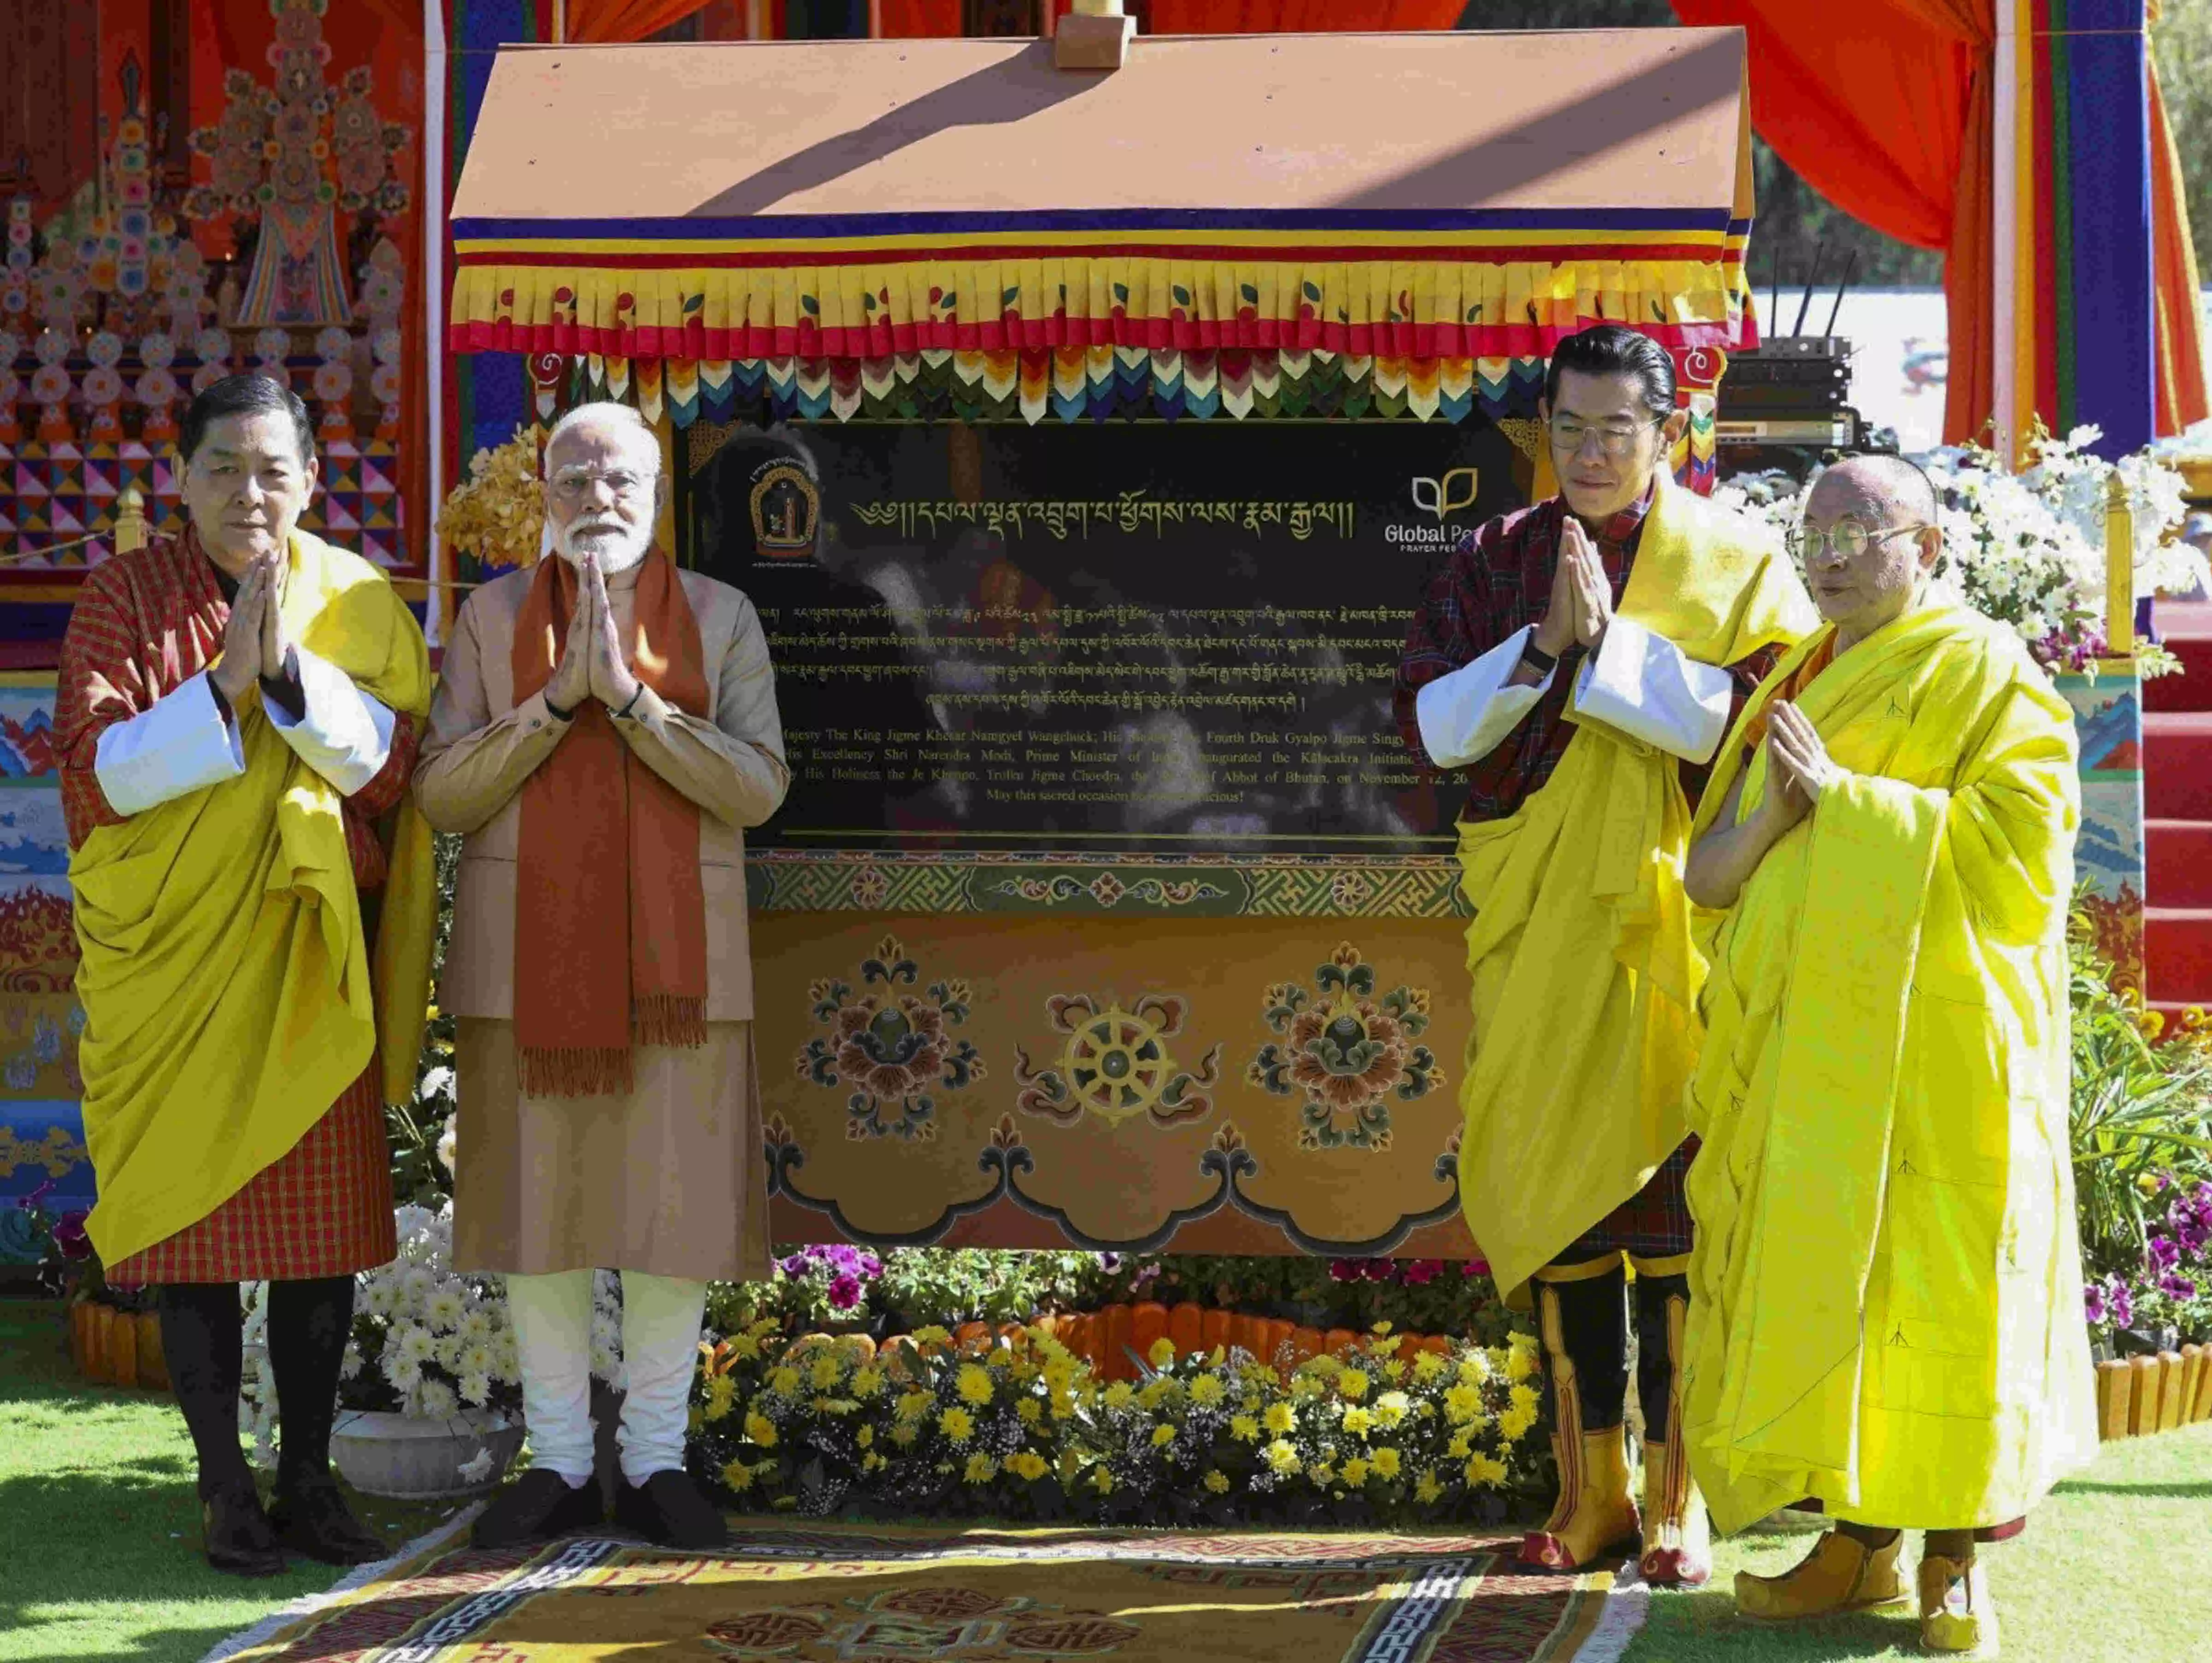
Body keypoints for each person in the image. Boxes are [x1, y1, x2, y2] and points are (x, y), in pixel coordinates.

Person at [1394, 325, 1813, 1583]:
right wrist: (1538, 643)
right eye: (1567, 430)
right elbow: (1435, 728)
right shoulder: (1496, 560)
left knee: (1679, 1217)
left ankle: (1677, 1502)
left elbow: (1775, 720)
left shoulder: (1735, 563)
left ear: (1670, 434)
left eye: (1615, 431)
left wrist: (1606, 650)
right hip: (1542, 934)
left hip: (1681, 923)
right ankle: (1594, 1500)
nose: (1587, 454)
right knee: (1563, 1210)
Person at [1678, 454, 2095, 1654]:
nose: (1835, 554)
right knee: (1839, 1288)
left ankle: (1955, 1556)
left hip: (1946, 1055)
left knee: (1951, 1293)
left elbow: (2024, 865)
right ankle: (1857, 1546)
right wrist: (1784, 813)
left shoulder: (1989, 677)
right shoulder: (1798, 684)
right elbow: (1712, 874)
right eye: (1818, 532)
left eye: (1864, 530)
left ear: (1931, 547)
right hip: (1811, 1060)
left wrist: (1856, 806)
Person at [56, 374, 435, 1575]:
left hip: (304, 957)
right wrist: (219, 686)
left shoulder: (358, 599)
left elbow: (391, 773)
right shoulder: (123, 595)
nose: (250, 494)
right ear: (182, 480)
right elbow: (97, 775)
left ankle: (309, 1484)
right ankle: (226, 1490)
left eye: (275, 471)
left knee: (322, 1246)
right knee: (194, 1239)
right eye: (225, 468)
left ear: (314, 483)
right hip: (178, 971)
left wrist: (283, 676)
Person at [416, 401, 789, 1551]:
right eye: (573, 481)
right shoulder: (491, 618)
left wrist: (631, 704)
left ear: (659, 493)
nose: (597, 503)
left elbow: (759, 787)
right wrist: (553, 705)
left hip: (682, 972)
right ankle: (562, 1460)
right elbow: (443, 792)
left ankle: (660, 1457)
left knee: (671, 1218)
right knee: (544, 1214)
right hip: (523, 967)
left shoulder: (721, 616)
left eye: (620, 480)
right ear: (544, 494)